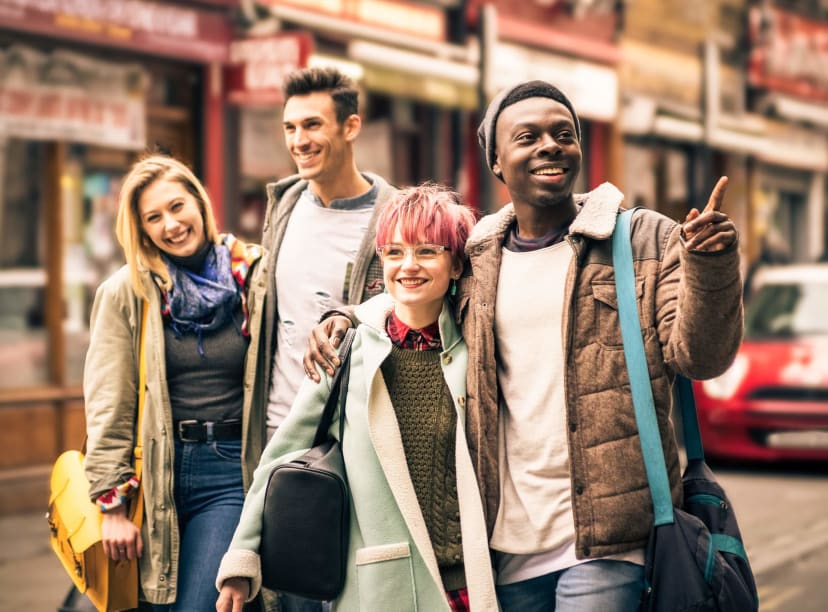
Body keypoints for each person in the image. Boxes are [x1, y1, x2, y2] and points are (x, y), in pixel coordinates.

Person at [305, 81, 744, 611]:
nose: (550, 145)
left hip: (609, 541)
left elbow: (702, 358)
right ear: (497, 160)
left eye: (564, 134)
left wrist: (710, 265)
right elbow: (414, 298)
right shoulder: (478, 255)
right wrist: (345, 316)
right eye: (528, 136)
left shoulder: (641, 238)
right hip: (504, 544)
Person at [215, 184, 498, 612]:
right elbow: (280, 455)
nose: (408, 265)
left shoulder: (475, 346)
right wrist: (240, 562)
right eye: (394, 251)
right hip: (384, 587)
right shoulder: (346, 350)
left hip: (470, 586)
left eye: (427, 251)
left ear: (456, 264)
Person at [82, 155, 266, 610]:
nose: (171, 224)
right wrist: (113, 506)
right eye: (154, 217)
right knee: (150, 603)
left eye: (178, 206)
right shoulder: (128, 291)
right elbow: (109, 401)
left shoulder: (253, 276)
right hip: (152, 473)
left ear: (200, 204)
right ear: (142, 230)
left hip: (228, 471)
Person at [252, 65, 397, 612]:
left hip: (355, 442)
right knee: (291, 595)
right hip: (280, 437)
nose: (298, 141)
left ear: (351, 126)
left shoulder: (394, 215)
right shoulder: (283, 207)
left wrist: (353, 315)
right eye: (290, 128)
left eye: (312, 125)